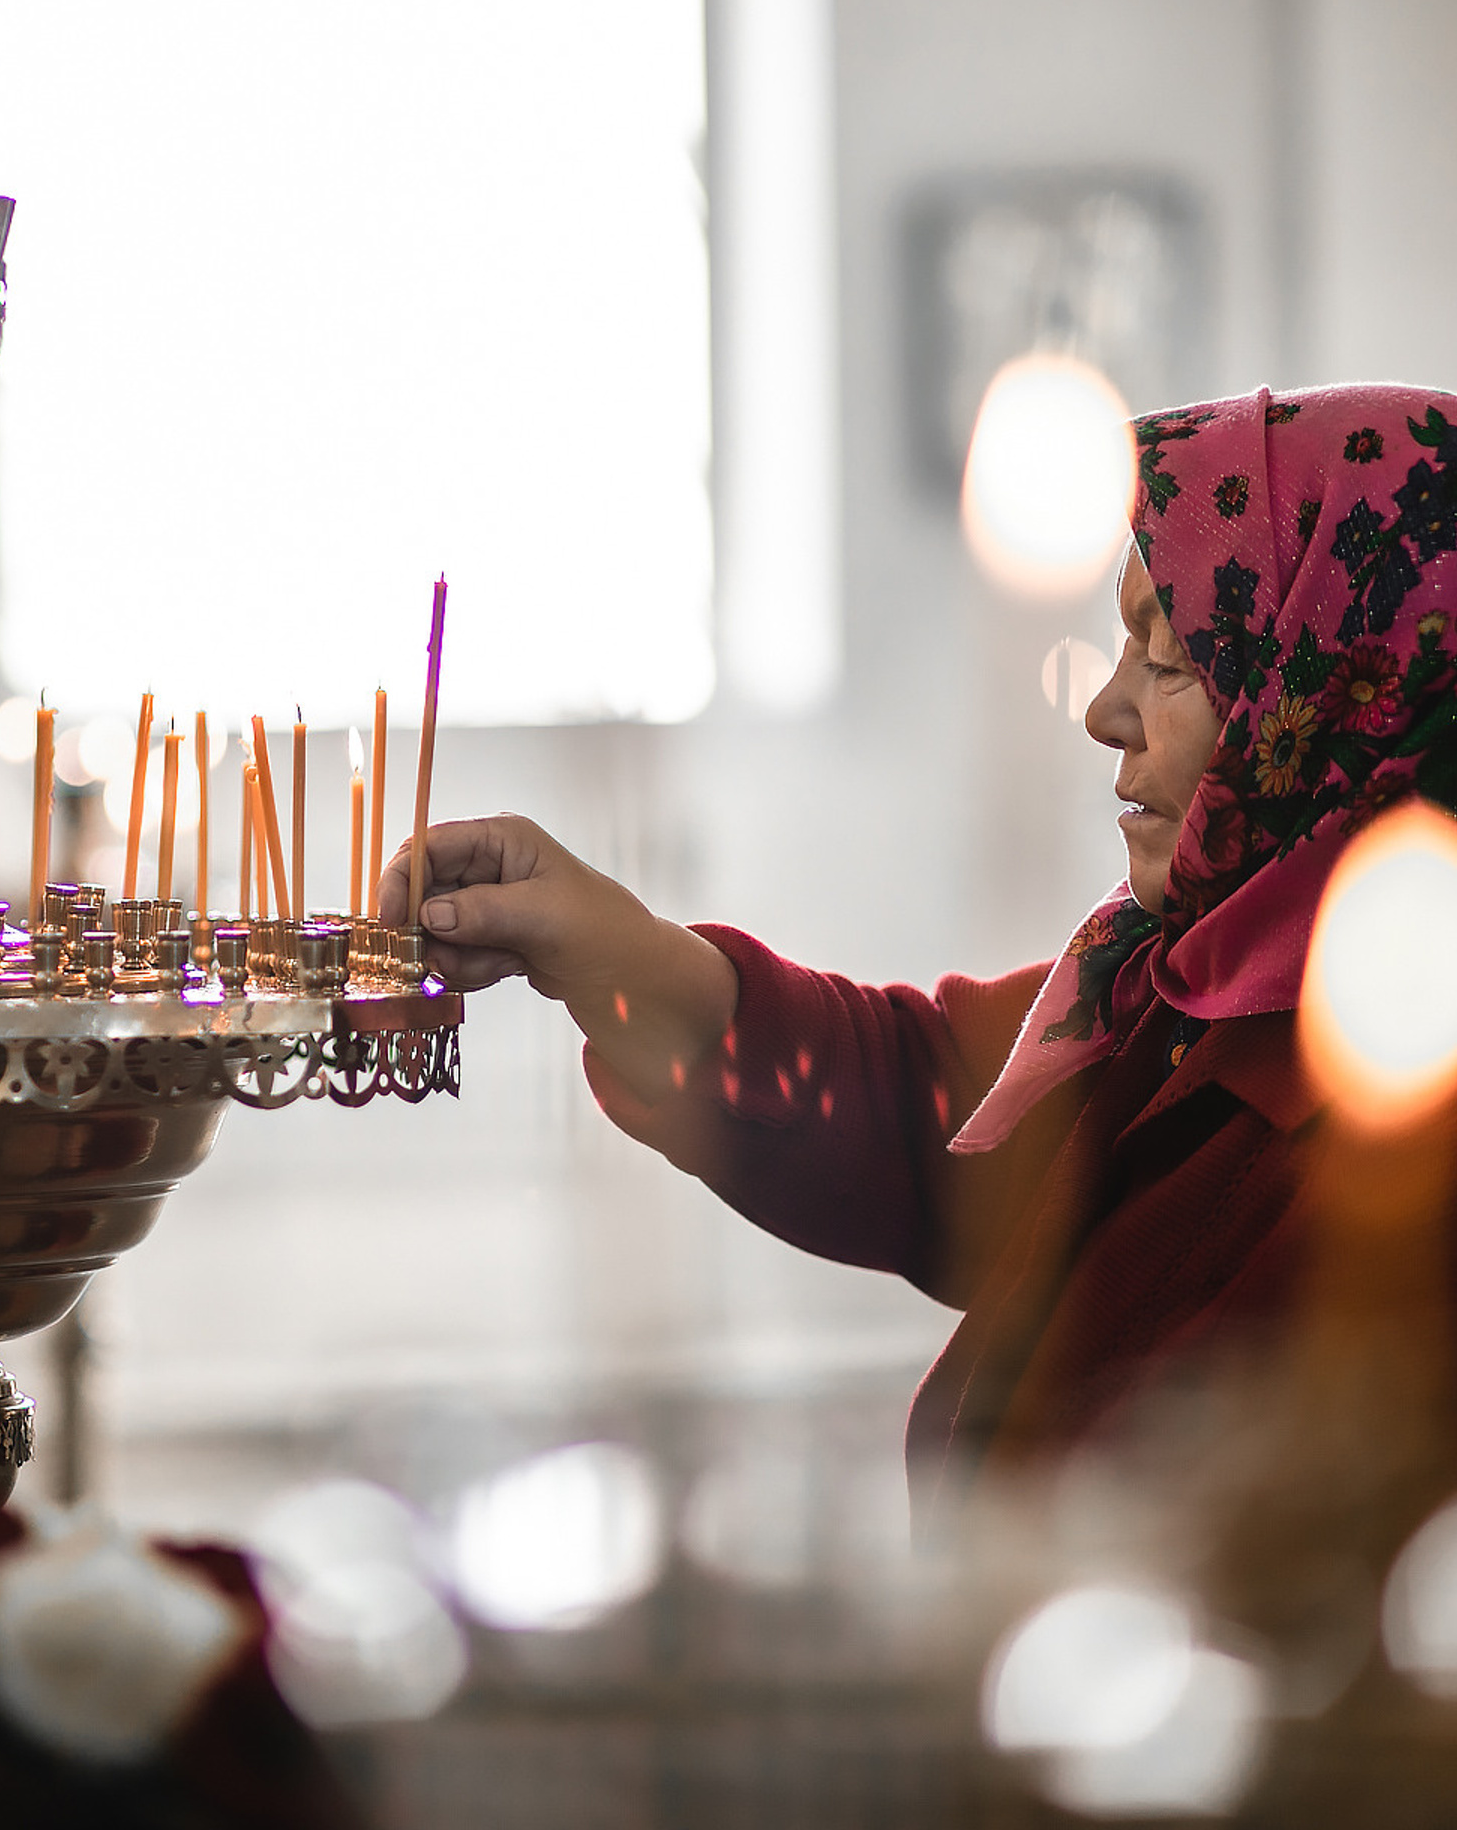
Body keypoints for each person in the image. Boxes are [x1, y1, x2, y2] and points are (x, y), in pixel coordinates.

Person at [379, 382, 1457, 1539]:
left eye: (1173, 659)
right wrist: (605, 949)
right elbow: (934, 1111)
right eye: (1122, 648)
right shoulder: (1171, 994)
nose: (1104, 710)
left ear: (1341, 687)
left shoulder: (1403, 1114)